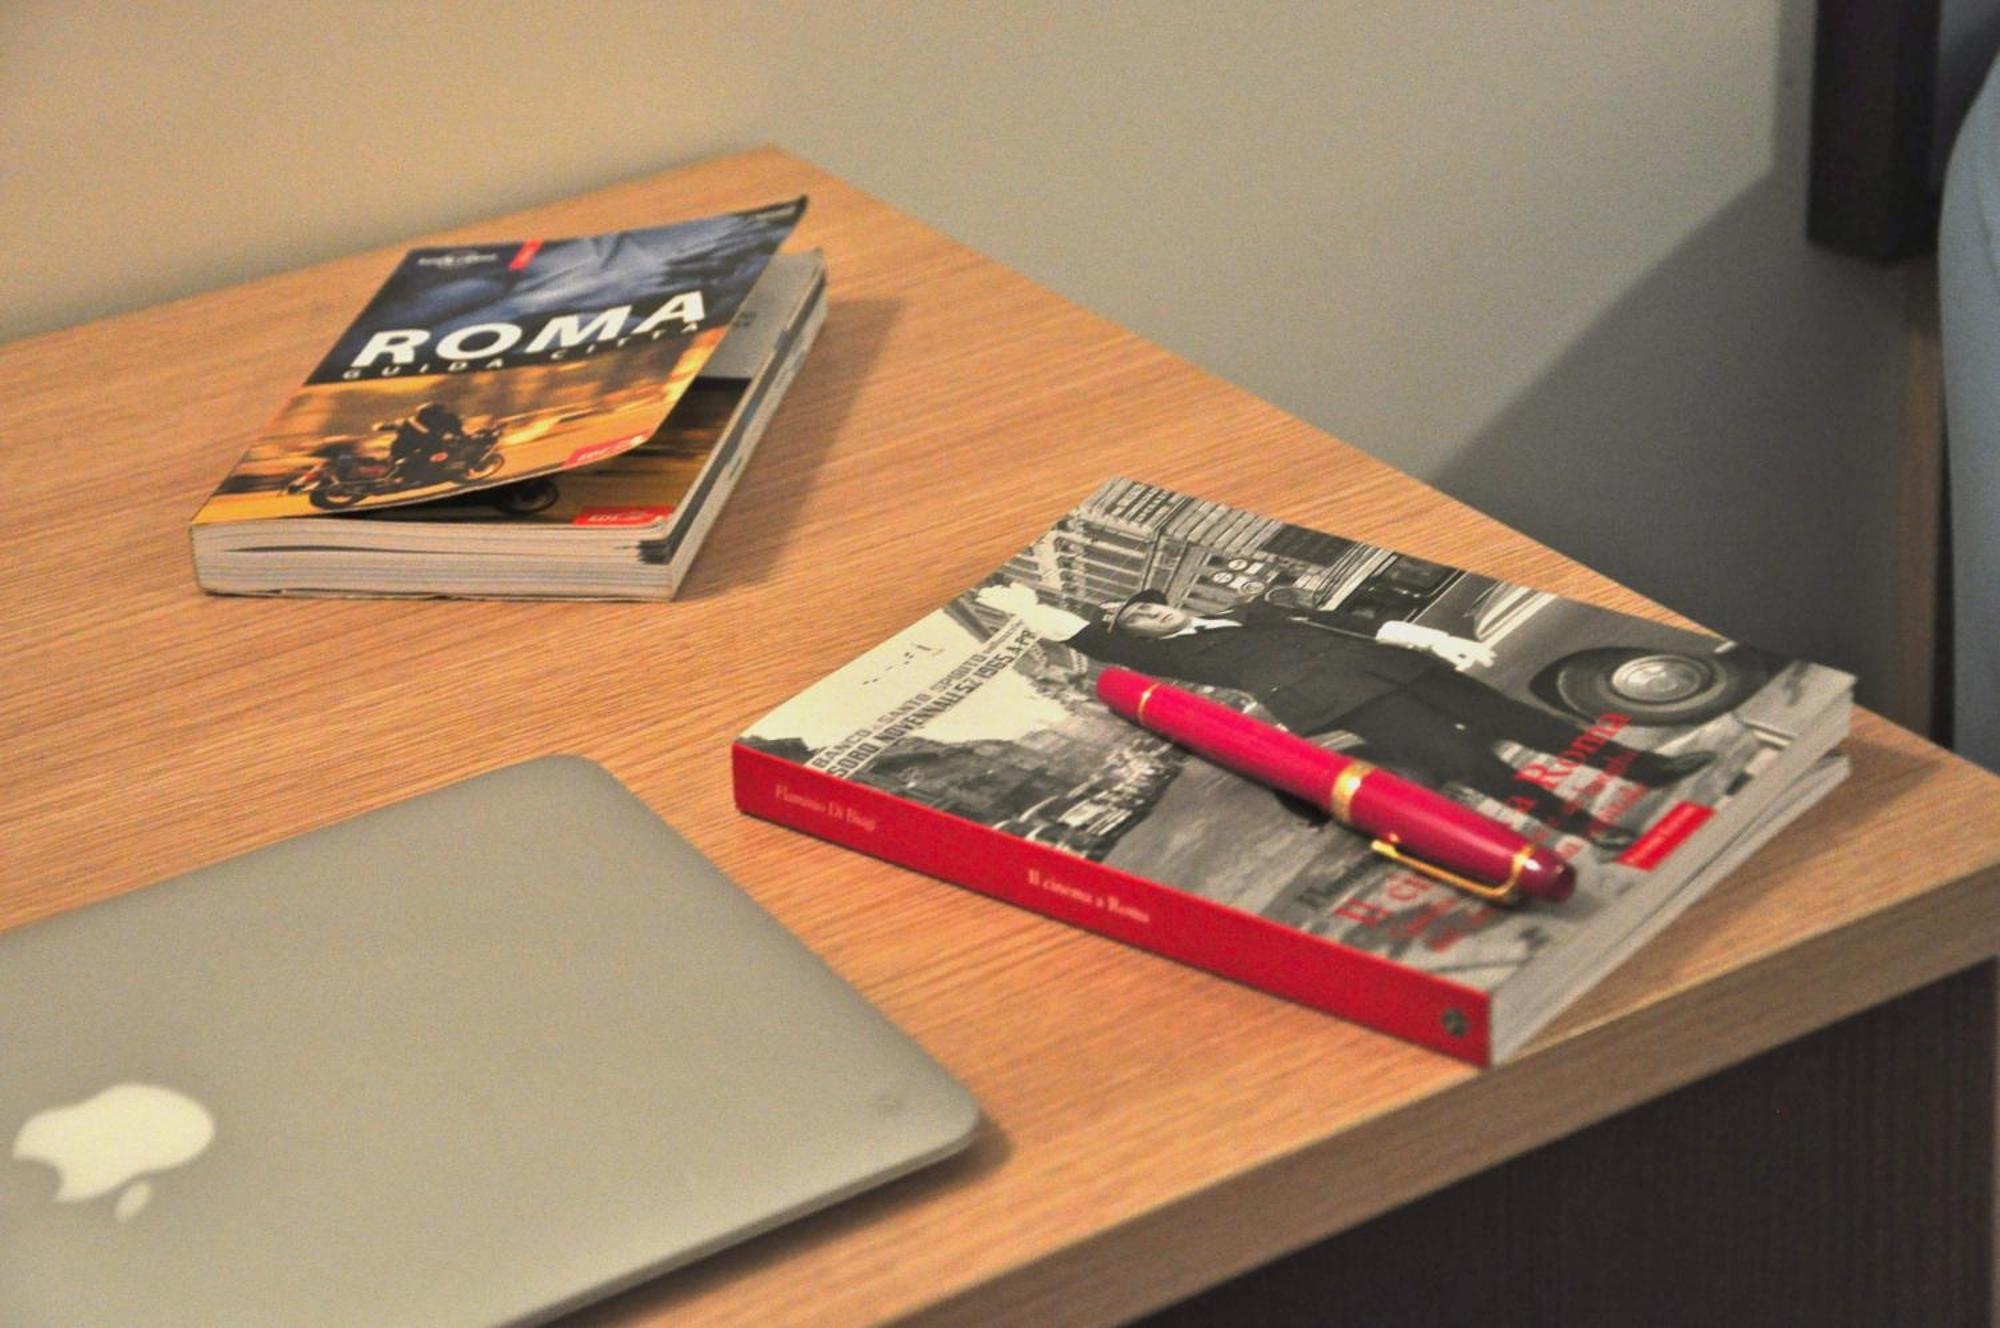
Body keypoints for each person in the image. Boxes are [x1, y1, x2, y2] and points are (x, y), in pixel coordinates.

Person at [1058, 590, 1711, 845]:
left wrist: (1433, 639)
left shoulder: (1256, 608)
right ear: (1140, 637)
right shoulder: (1178, 656)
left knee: (1531, 724)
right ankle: (1589, 828)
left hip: (1400, 668)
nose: (1153, 615)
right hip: (1349, 704)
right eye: (1139, 621)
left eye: (1151, 606)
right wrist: (1034, 612)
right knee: (1468, 763)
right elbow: (1094, 641)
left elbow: (1350, 621)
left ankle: (1651, 770)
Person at [378, 402, 470, 480]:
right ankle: (391, 478)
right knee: (404, 463)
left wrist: (462, 437)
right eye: (427, 415)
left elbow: (457, 431)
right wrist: (381, 426)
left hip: (432, 447)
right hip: (409, 449)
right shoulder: (410, 423)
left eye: (436, 414)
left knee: (445, 452)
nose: (434, 417)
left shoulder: (448, 419)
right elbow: (390, 427)